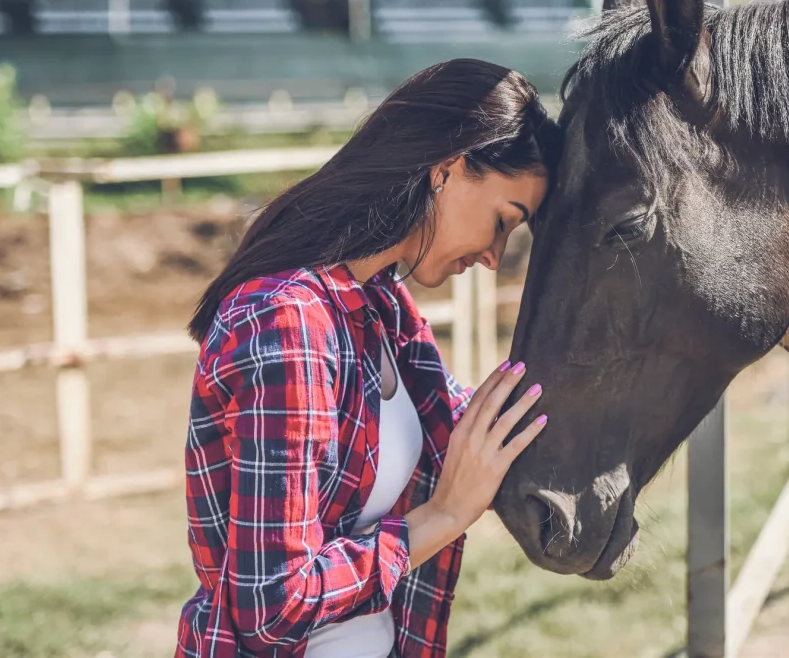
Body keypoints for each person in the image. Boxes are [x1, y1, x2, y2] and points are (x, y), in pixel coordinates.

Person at [176, 59, 562, 658]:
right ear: (448, 169)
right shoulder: (289, 322)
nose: (494, 255)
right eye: (502, 221)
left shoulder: (381, 306)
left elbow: (473, 440)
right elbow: (273, 604)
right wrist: (443, 515)